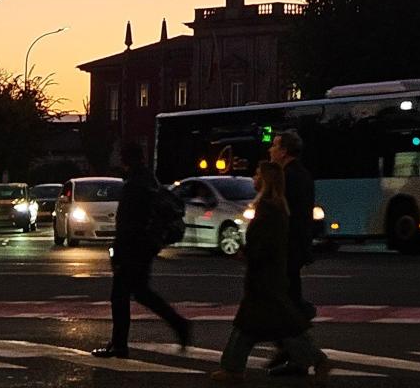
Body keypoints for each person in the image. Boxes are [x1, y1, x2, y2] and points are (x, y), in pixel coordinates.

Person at [210, 161, 330, 385]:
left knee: (262, 326)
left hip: (264, 279)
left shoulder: (268, 208)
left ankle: (233, 369)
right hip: (269, 277)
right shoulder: (277, 206)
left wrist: (246, 254)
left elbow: (263, 244)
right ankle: (234, 368)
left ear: (265, 180)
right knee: (272, 326)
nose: (253, 177)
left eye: (257, 174)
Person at [92, 141, 191, 358]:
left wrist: (117, 252)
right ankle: (179, 325)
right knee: (141, 293)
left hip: (132, 248)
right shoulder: (149, 180)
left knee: (119, 296)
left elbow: (126, 223)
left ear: (124, 160)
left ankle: (119, 344)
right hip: (147, 245)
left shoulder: (133, 185)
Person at [266, 130, 318, 377]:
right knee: (286, 302)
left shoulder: (286, 178)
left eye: (275, 146)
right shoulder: (303, 175)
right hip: (296, 249)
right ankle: (293, 351)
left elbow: (282, 216)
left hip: (286, 250)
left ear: (284, 151)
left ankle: (299, 352)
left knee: (281, 304)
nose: (271, 150)